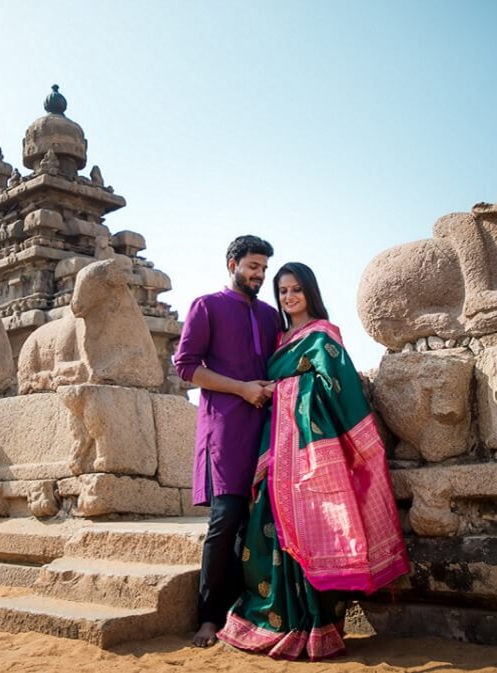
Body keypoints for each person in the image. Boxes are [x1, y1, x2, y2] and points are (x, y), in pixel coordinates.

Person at [216, 262, 410, 661]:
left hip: (311, 452)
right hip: (275, 453)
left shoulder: (323, 336)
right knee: (267, 529)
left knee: (316, 530)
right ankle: (281, 620)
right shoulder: (278, 338)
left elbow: (338, 386)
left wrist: (293, 390)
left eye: (296, 290)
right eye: (283, 291)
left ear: (310, 292)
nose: (289, 298)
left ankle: (317, 625)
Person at [173, 235, 281, 648]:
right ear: (232, 264)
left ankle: (248, 611)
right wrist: (241, 389)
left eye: (263, 269)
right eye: (252, 266)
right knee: (225, 522)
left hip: (267, 433)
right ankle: (208, 617)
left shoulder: (271, 316)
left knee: (256, 526)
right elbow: (186, 368)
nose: (258, 275)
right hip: (225, 433)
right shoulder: (207, 306)